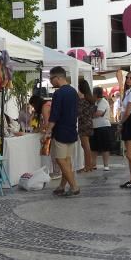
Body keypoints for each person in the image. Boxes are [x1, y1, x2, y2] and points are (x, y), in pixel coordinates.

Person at [44, 66, 80, 197]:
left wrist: (48, 131)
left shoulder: (59, 93)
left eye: (51, 78)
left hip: (61, 131)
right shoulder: (73, 92)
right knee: (67, 160)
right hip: (71, 129)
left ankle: (74, 186)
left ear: (58, 78)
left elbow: (54, 115)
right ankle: (61, 186)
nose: (50, 81)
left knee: (60, 160)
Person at [90, 86, 113, 171]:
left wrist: (90, 115)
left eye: (93, 93)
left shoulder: (103, 102)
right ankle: (94, 164)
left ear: (96, 94)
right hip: (95, 127)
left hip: (103, 127)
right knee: (94, 147)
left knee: (105, 147)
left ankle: (106, 165)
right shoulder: (96, 102)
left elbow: (99, 113)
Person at [77, 78, 96, 171]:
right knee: (86, 146)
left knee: (85, 146)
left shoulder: (82, 100)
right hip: (89, 123)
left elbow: (78, 112)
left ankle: (88, 166)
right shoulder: (90, 99)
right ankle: (89, 165)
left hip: (83, 124)